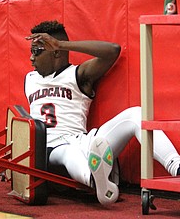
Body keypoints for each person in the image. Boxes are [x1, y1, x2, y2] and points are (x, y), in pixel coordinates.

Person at [25, 20, 180, 205]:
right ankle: (96, 179)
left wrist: (62, 44)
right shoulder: (30, 78)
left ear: (56, 52)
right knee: (68, 153)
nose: (31, 58)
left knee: (136, 114)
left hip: (84, 140)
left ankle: (176, 166)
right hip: (50, 146)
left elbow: (112, 50)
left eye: (36, 52)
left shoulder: (78, 74)